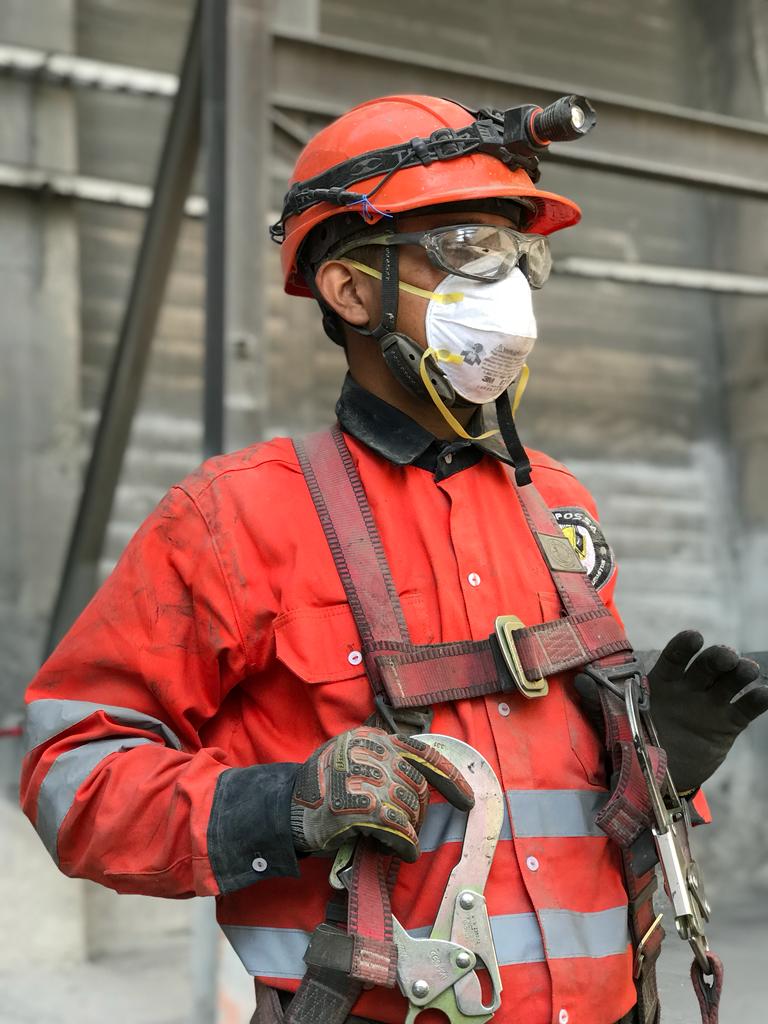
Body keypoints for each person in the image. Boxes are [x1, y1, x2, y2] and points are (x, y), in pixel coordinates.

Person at [20, 94, 768, 1024]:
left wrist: (657, 763)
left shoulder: (555, 503)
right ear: (349, 290)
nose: (507, 288)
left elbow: (557, 798)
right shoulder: (233, 518)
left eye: (519, 256)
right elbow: (72, 772)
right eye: (465, 250)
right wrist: (284, 804)